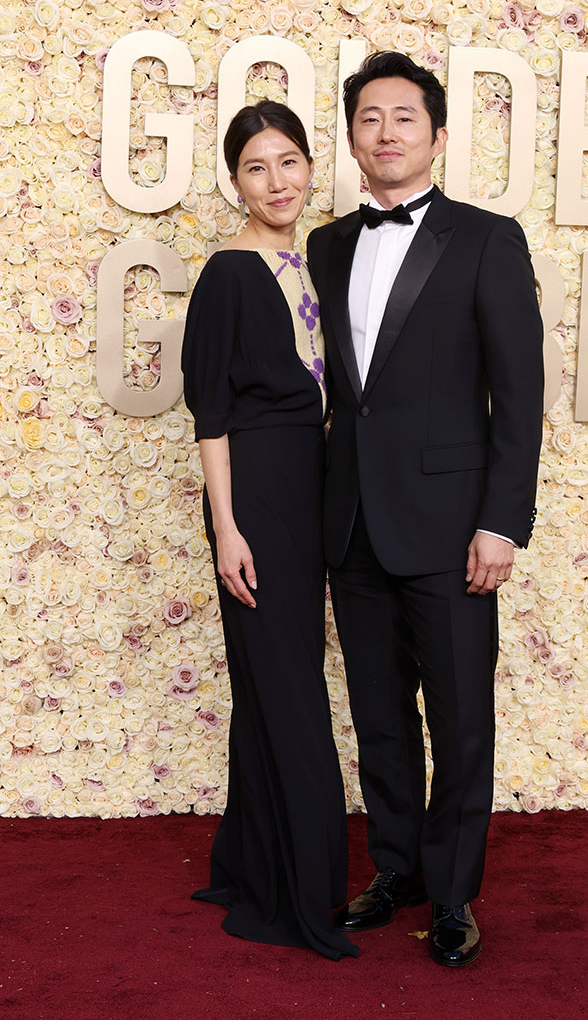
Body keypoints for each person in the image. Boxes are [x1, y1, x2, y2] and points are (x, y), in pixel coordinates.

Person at [306, 52, 544, 968]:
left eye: (405, 117)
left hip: (453, 530)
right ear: (355, 137)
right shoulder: (325, 246)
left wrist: (503, 521)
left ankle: (452, 896)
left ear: (436, 135)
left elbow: (519, 396)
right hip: (352, 521)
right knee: (378, 715)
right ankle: (396, 867)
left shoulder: (488, 239)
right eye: (370, 118)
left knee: (459, 717)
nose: (387, 133)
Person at [181, 100, 357, 961]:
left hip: (316, 487)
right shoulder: (226, 273)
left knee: (272, 685)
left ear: (312, 167)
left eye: (289, 162)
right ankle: (304, 895)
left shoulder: (323, 259)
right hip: (255, 492)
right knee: (287, 688)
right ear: (234, 180)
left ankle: (254, 862)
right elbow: (209, 413)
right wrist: (227, 528)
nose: (277, 181)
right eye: (256, 167)